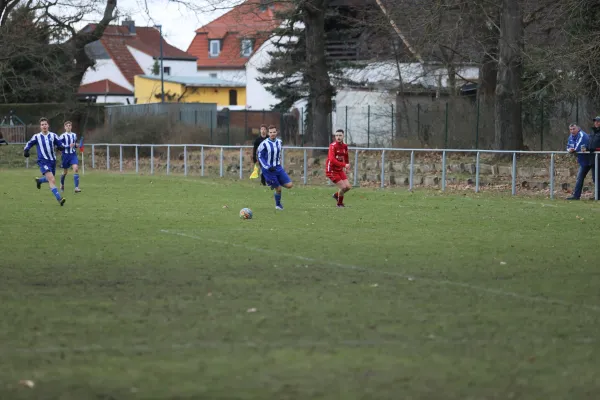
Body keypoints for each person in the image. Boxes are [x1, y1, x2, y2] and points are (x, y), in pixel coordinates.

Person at [23, 117, 66, 206]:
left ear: (48, 125)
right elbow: (29, 143)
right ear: (40, 126)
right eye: (42, 125)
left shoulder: (53, 135)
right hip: (43, 161)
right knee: (52, 179)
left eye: (45, 124)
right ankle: (59, 199)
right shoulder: (37, 136)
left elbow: (60, 144)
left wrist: (61, 147)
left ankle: (39, 181)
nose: (44, 126)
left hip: (52, 161)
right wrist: (26, 150)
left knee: (49, 179)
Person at [256, 125, 293, 210]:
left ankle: (273, 183)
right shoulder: (264, 144)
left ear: (277, 132)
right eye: (271, 132)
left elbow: (278, 154)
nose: (272, 134)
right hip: (268, 170)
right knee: (278, 189)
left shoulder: (280, 142)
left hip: (278, 168)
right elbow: (260, 156)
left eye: (274, 132)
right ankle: (278, 205)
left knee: (290, 185)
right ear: (268, 133)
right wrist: (267, 167)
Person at [326, 129, 352, 207]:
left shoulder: (345, 146)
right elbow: (332, 160)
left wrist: (347, 166)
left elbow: (346, 156)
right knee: (343, 187)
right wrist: (344, 165)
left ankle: (336, 195)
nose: (338, 137)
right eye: (336, 135)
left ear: (343, 136)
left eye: (340, 135)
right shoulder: (332, 146)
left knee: (348, 187)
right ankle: (339, 204)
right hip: (331, 170)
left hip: (339, 169)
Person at [566, 123, 592, 200]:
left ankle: (597, 195)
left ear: (578, 129)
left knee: (595, 178)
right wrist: (569, 150)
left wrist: (573, 150)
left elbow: (578, 146)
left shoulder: (582, 135)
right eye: (570, 129)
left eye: (574, 129)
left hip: (592, 159)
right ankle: (576, 196)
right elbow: (568, 146)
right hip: (583, 161)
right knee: (579, 178)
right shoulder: (570, 137)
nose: (572, 131)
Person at [58, 121, 81, 193]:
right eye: (67, 126)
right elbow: (60, 147)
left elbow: (75, 144)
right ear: (65, 127)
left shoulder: (74, 135)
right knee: (65, 172)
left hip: (73, 155)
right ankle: (61, 184)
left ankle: (76, 187)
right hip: (65, 156)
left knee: (76, 169)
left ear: (71, 127)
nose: (68, 127)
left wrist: (77, 145)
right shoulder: (62, 136)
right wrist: (68, 146)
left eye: (69, 125)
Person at [587, 116, 600, 199]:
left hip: (599, 157)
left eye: (598, 121)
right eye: (595, 121)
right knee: (595, 178)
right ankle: (597, 196)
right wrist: (587, 148)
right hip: (593, 158)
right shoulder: (592, 131)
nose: (596, 122)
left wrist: (595, 149)